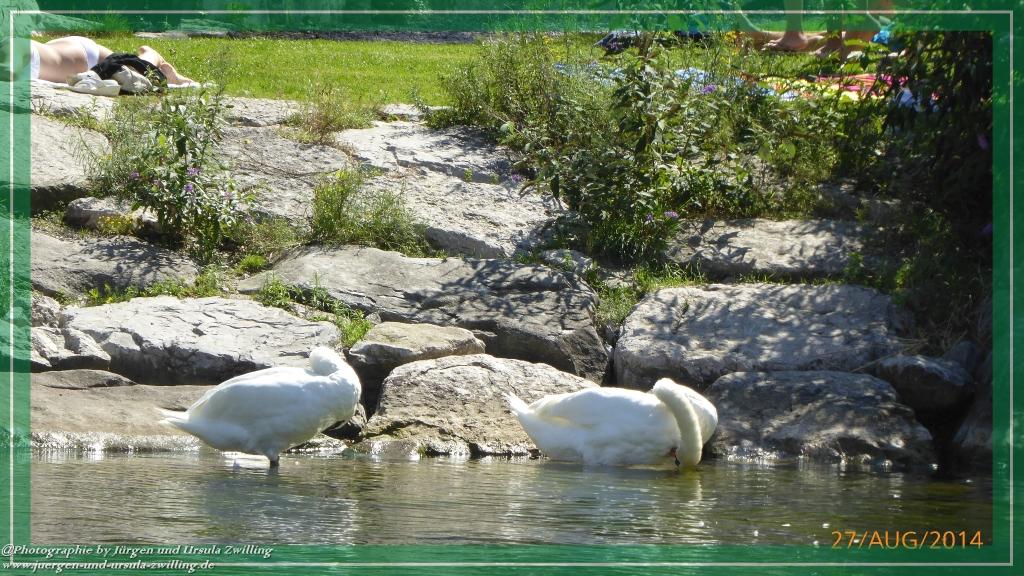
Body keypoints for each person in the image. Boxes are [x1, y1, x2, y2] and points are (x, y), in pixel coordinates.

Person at [27, 36, 194, 85]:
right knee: (134, 76)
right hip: (67, 52)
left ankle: (153, 55)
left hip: (84, 56)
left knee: (135, 74)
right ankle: (173, 76)